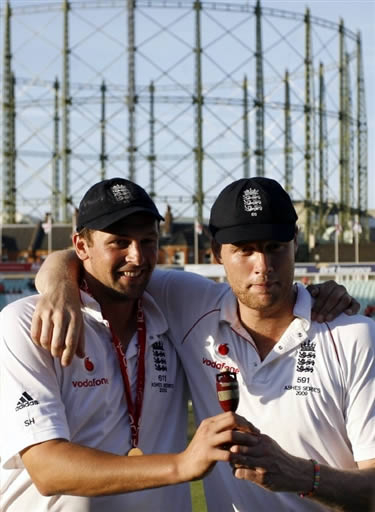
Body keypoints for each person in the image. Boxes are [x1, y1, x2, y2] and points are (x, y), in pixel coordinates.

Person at [29, 178, 367, 512]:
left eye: (274, 247)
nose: (262, 267)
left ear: (295, 241)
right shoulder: (190, 304)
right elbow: (95, 261)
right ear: (216, 252)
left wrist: (302, 477)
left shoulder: (354, 337)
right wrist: (60, 287)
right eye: (244, 250)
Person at [0, 178, 254, 512]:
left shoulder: (171, 307)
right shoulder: (26, 322)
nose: (136, 256)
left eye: (147, 241)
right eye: (119, 242)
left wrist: (316, 295)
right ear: (81, 246)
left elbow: (257, 298)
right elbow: (47, 469)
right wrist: (182, 464)